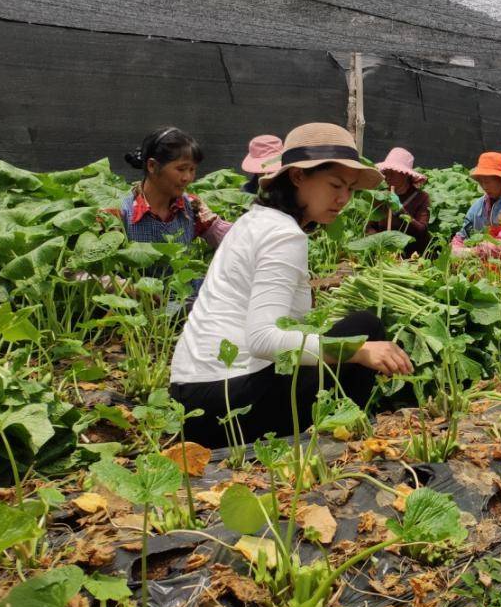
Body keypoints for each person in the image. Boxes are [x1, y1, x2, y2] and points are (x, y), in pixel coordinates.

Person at [170, 123, 413, 448]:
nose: (343, 199)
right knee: (365, 333)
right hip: (223, 406)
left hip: (191, 398)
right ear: (298, 176)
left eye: (351, 190)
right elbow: (262, 340)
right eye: (335, 185)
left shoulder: (256, 219)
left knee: (361, 325)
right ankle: (346, 439)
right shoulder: (284, 235)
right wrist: (358, 351)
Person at [122, 126, 232, 249]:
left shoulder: (193, 207)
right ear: (152, 166)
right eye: (181, 169)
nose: (187, 177)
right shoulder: (121, 212)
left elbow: (231, 241)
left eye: (192, 169)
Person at [451, 152, 501, 261]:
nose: (484, 186)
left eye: (488, 181)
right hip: (485, 263)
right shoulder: (477, 207)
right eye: (481, 181)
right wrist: (456, 249)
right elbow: (462, 236)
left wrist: (473, 252)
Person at [365, 147, 431, 256]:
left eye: (392, 172)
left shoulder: (421, 197)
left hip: (412, 258)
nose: (387, 177)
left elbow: (421, 231)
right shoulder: (381, 196)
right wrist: (380, 242)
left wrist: (400, 211)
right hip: (383, 257)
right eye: (386, 172)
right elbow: (369, 227)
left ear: (405, 174)